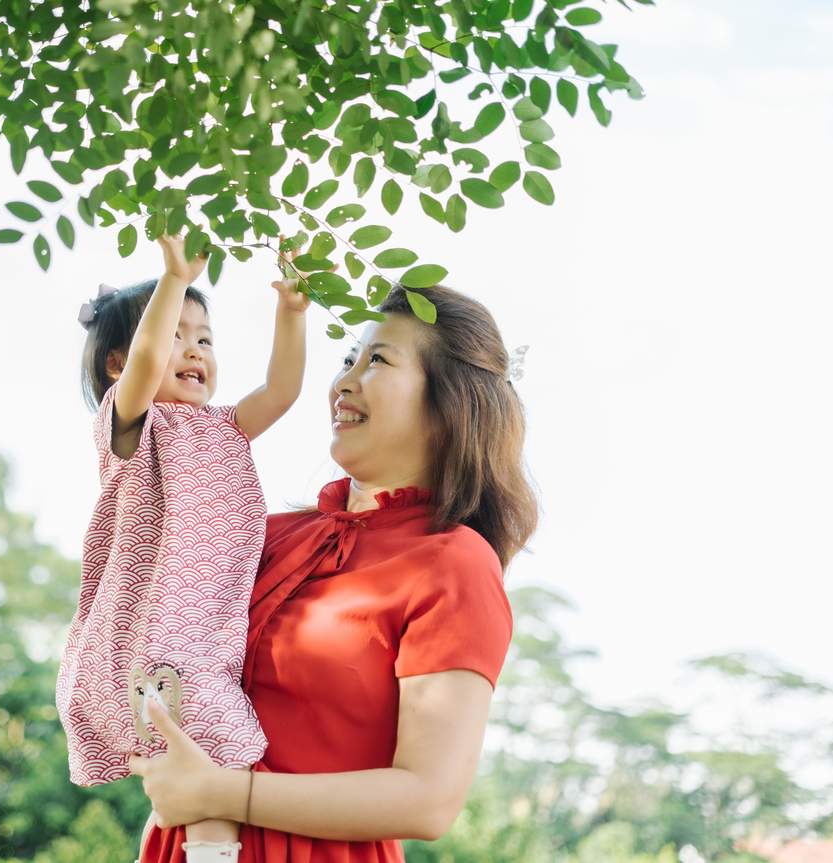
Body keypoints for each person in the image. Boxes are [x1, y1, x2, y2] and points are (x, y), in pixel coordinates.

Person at [129, 283, 539, 862]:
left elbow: (429, 799)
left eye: (377, 360)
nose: (344, 380)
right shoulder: (260, 532)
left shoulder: (454, 563)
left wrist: (225, 792)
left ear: (450, 407)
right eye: (349, 358)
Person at [55, 232, 312, 863]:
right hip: (148, 649)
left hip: (197, 647)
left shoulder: (225, 429)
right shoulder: (133, 426)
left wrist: (292, 311)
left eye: (205, 338)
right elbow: (146, 368)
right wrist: (173, 280)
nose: (195, 350)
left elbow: (281, 391)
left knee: (210, 786)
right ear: (119, 363)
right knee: (219, 778)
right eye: (177, 334)